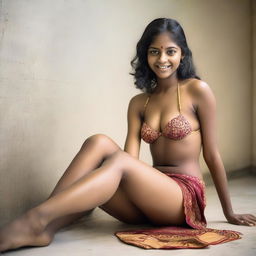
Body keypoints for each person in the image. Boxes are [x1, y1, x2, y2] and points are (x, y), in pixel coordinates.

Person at [0, 17, 255, 252]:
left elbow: (211, 153)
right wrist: (104, 178)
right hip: (147, 200)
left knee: (116, 163)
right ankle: (46, 229)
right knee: (98, 142)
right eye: (154, 51)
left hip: (182, 200)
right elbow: (128, 160)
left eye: (170, 51)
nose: (162, 59)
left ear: (183, 54)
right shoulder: (139, 103)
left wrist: (229, 211)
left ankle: (34, 219)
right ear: (145, 55)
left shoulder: (197, 90)